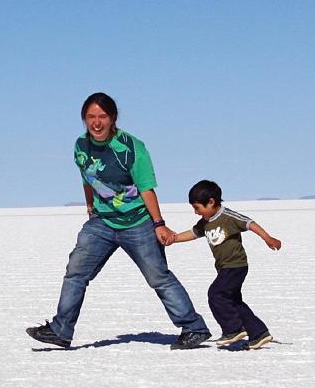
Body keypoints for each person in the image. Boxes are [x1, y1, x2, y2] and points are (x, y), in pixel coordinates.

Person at [26, 92, 211, 349]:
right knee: (75, 273)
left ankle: (194, 328)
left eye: (102, 116)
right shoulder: (81, 146)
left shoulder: (132, 147)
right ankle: (61, 331)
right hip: (102, 222)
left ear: (113, 118)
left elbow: (146, 188)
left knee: (158, 277)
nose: (97, 122)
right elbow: (87, 177)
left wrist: (158, 224)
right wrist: (91, 208)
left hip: (138, 222)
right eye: (91, 117)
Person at [170, 179, 282, 349]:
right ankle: (259, 334)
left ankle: (233, 329)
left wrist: (267, 238)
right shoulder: (206, 221)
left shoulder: (228, 216)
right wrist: (174, 238)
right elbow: (193, 233)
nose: (195, 212)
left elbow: (250, 223)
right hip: (224, 267)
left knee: (216, 294)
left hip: (235, 266)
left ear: (211, 202)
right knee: (234, 301)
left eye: (197, 208)